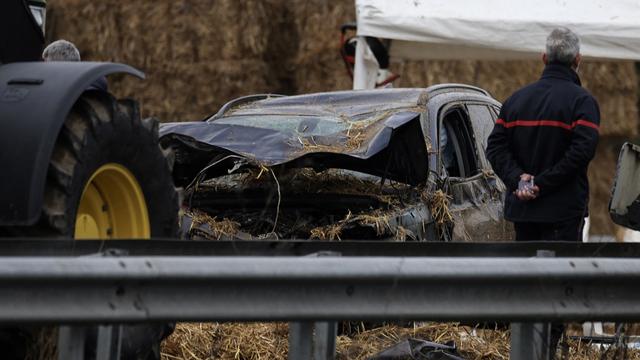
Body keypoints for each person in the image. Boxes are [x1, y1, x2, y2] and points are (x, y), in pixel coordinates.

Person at [486, 27, 600, 242]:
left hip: (523, 211)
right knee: (561, 274)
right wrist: (541, 183)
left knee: (525, 274)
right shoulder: (583, 102)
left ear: (544, 58)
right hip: (564, 213)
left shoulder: (515, 100)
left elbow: (494, 148)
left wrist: (520, 180)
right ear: (578, 60)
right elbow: (582, 152)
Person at [42, 39, 108, 91]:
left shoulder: (68, 99)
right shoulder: (95, 87)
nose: (46, 74)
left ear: (58, 67)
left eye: (48, 68)